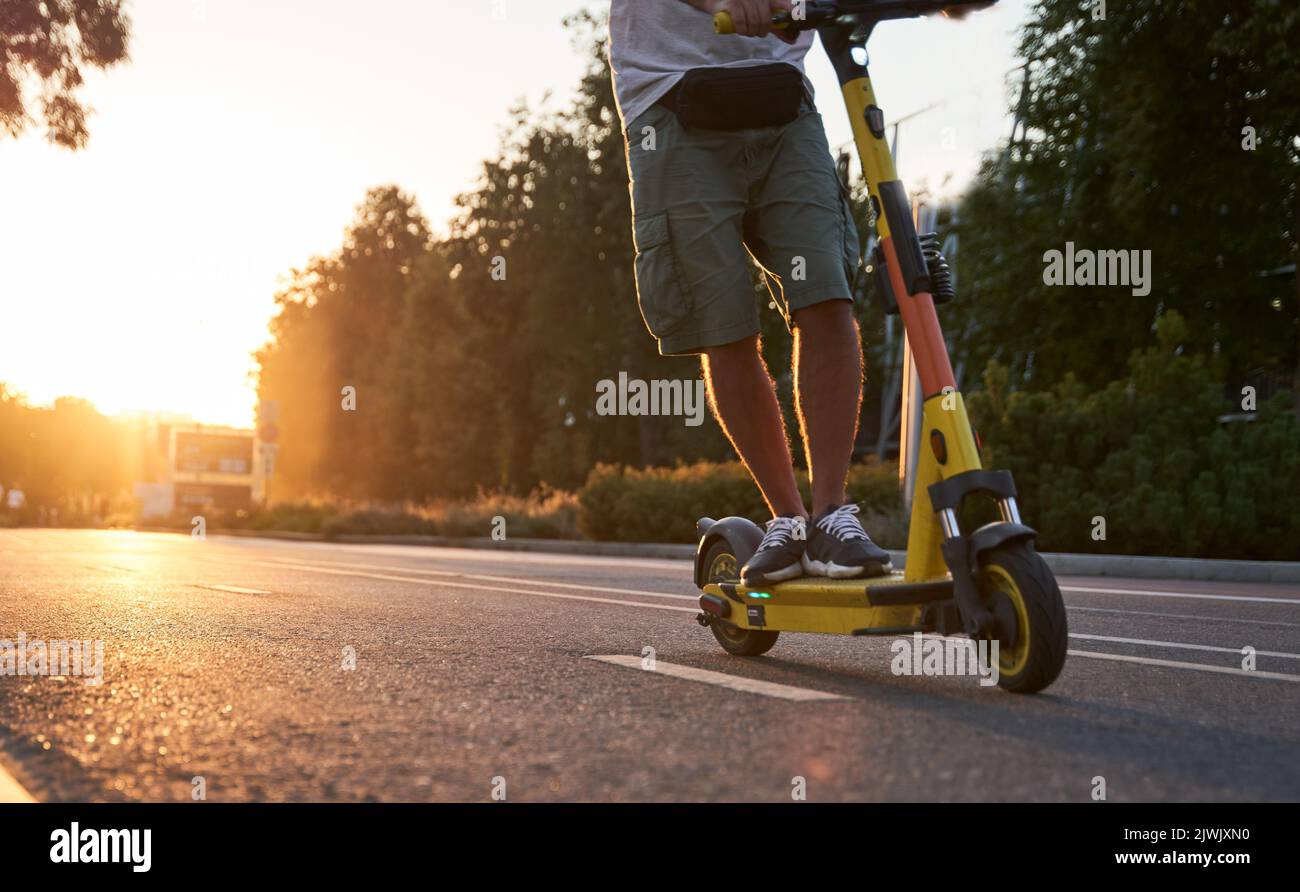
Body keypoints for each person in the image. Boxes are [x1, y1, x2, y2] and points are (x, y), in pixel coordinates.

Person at [609, 0, 892, 584]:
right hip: (671, 95)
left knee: (827, 294)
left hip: (783, 98)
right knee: (725, 324)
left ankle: (831, 516)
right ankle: (788, 519)